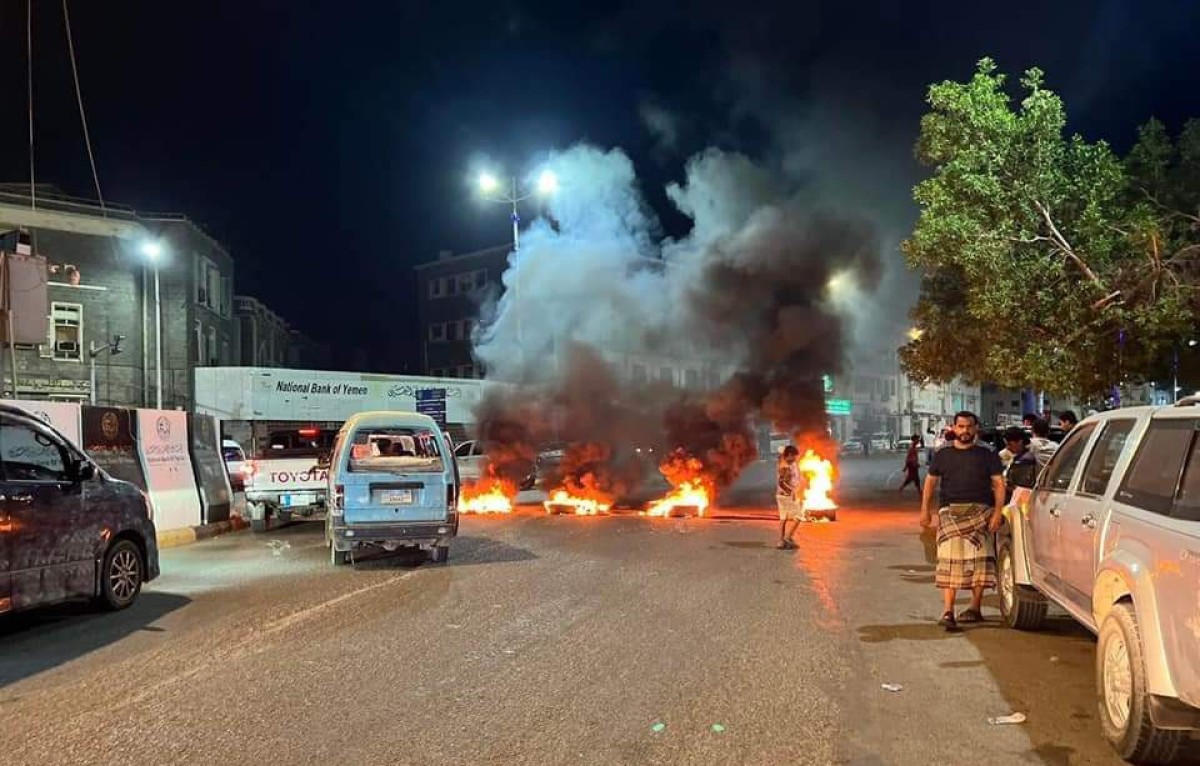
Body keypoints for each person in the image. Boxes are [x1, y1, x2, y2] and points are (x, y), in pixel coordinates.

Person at [920, 411, 1006, 631]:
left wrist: (997, 513)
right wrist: (925, 511)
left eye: (969, 426)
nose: (965, 431)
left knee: (979, 563)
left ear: (976, 428)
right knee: (949, 563)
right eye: (960, 426)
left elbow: (998, 484)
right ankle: (948, 611)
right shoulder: (943, 454)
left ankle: (975, 608)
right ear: (954, 427)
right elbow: (930, 483)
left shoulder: (988, 454)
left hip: (981, 512)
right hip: (949, 513)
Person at [776, 446, 805, 549]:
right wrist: (791, 492)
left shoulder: (785, 462)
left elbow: (780, 454)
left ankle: (781, 542)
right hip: (786, 495)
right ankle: (788, 537)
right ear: (788, 455)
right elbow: (782, 483)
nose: (795, 459)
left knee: (783, 517)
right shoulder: (785, 467)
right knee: (799, 516)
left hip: (782, 495)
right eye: (793, 456)